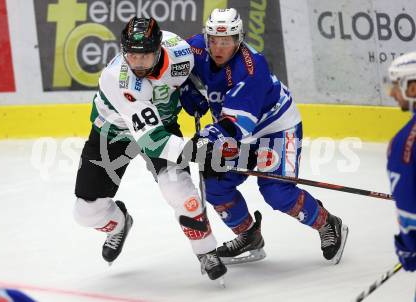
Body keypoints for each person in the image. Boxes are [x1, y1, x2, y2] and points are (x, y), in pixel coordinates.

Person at [180, 8, 349, 265]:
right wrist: (184, 87)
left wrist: (203, 141)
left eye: (225, 42)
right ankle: (249, 236)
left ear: (238, 40)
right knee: (214, 184)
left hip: (276, 129)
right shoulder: (197, 48)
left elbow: (236, 127)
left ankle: (328, 223)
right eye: (213, 39)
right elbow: (167, 59)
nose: (217, 47)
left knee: (277, 191)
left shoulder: (251, 68)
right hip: (235, 131)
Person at [74, 17, 227, 280]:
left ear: (159, 50)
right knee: (86, 212)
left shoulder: (180, 52)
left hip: (163, 124)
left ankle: (206, 250)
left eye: (145, 56)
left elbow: (201, 60)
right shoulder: (117, 80)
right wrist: (200, 151)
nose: (139, 64)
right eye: (132, 56)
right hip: (114, 132)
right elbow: (152, 140)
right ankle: (120, 222)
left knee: (182, 193)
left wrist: (188, 90)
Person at [387, 52, 416, 272]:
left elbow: (409, 213)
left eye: (396, 85)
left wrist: (408, 250)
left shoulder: (405, 143)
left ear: (412, 88)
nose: (391, 93)